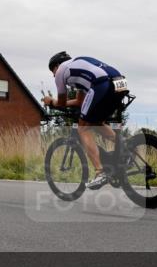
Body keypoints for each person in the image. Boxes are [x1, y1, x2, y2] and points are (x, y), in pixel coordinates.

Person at [42, 52, 128, 189]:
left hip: (102, 84)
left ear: (57, 65)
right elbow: (80, 101)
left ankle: (100, 173)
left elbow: (62, 103)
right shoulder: (79, 67)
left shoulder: (61, 72)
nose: (53, 75)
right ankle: (126, 148)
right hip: (120, 82)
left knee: (83, 128)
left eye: (52, 70)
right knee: (96, 122)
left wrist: (51, 101)